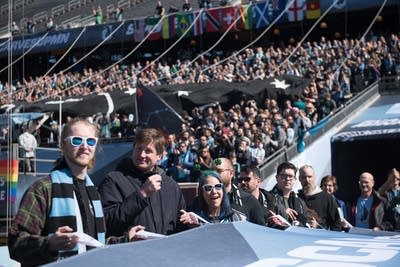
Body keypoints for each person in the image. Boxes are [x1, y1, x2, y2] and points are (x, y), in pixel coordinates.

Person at [8, 118, 144, 266]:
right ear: (63, 145)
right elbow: (16, 244)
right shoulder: (43, 188)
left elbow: (94, 243)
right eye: (77, 140)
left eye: (90, 141)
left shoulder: (93, 192)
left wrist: (126, 239)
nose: (85, 146)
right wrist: (50, 244)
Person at [99, 128, 186, 236]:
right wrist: (142, 195)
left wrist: (189, 224)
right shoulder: (113, 180)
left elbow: (178, 226)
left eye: (148, 151)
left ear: (159, 156)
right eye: (138, 149)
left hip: (166, 251)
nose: (142, 155)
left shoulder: (171, 186)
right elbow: (106, 221)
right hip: (130, 250)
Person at [210, 157, 266, 225]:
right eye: (212, 171)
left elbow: (260, 230)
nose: (214, 174)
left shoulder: (248, 200)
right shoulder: (201, 200)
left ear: (231, 173)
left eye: (219, 171)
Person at [180, 171, 246, 225]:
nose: (214, 192)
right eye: (208, 188)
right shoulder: (194, 219)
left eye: (218, 186)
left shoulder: (237, 218)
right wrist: (193, 226)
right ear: (201, 192)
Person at [298, 165, 342, 230]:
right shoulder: (297, 198)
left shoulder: (327, 198)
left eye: (310, 177)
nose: (307, 180)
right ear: (299, 179)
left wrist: (319, 226)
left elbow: (336, 225)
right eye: (304, 177)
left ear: (314, 177)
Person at [268, 162, 309, 228]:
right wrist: (282, 212)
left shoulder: (300, 202)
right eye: (283, 176)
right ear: (276, 177)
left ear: (295, 179)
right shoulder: (268, 198)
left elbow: (306, 222)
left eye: (290, 176)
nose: (287, 179)